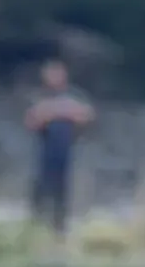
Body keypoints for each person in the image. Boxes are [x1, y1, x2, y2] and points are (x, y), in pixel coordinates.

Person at [25, 60, 94, 236]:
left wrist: (55, 112)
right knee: (40, 185)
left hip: (68, 149)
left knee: (63, 188)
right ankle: (36, 222)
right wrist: (58, 111)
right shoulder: (38, 95)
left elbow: (86, 115)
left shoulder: (75, 94)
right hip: (43, 148)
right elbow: (32, 119)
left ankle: (60, 225)